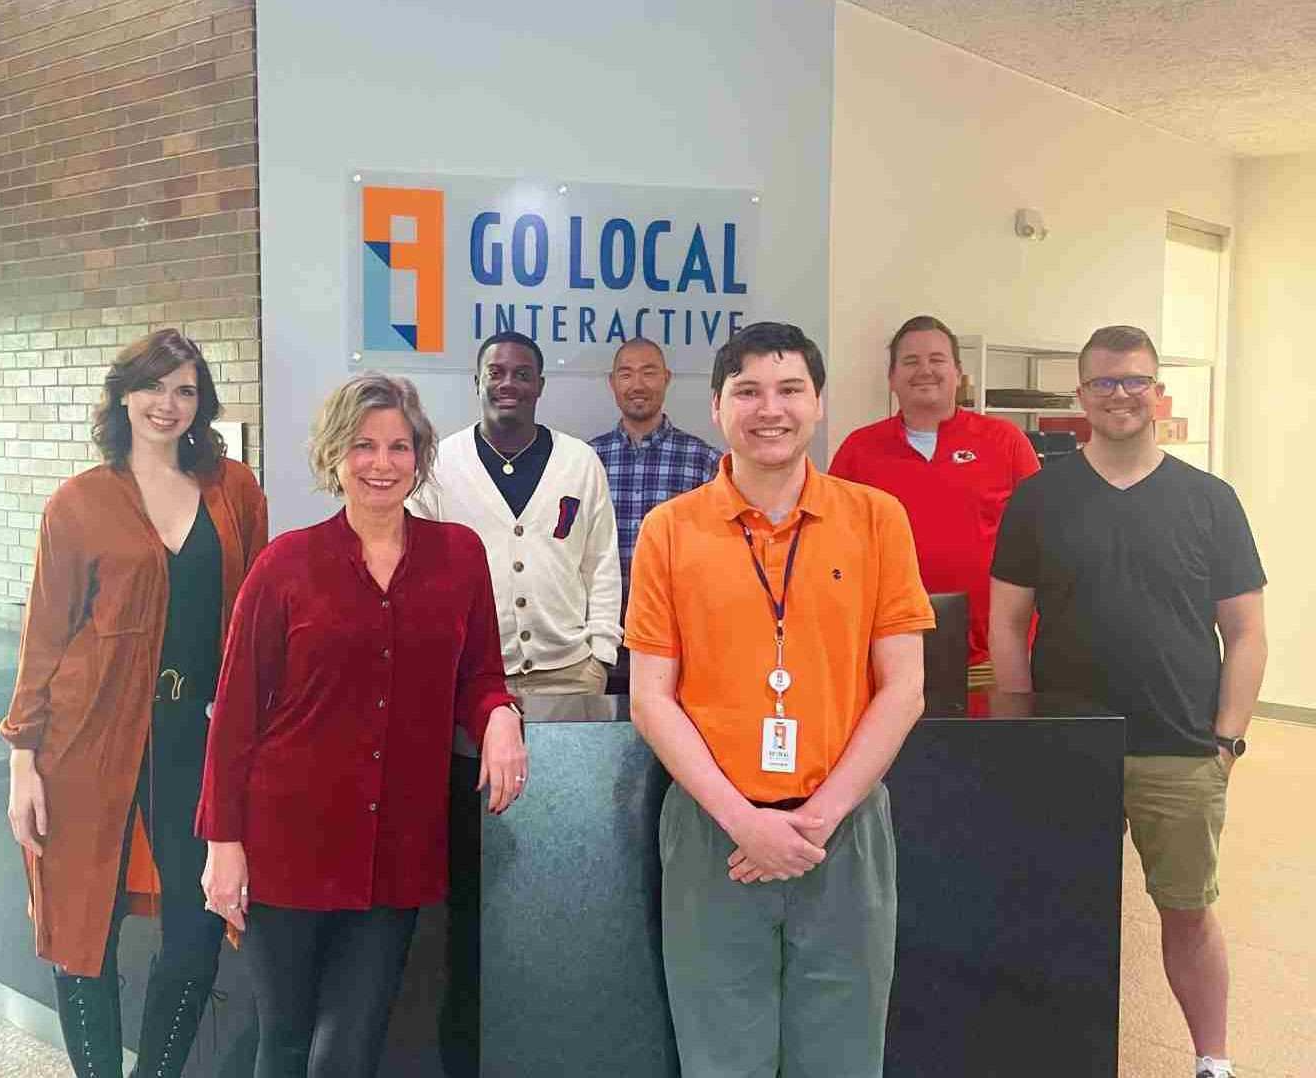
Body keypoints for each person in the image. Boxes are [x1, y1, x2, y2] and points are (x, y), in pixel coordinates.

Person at [196, 373, 527, 1078]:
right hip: (286, 844)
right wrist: (223, 844)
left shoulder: (459, 556)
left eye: (399, 446)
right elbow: (235, 717)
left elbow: (481, 675)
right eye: (363, 445)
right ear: (334, 457)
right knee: (283, 1043)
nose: (382, 462)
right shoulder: (285, 565)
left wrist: (500, 714)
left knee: (349, 1052)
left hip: (396, 850)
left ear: (419, 456)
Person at [626, 321, 934, 1077]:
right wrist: (745, 824)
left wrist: (816, 818)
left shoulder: (876, 519)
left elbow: (904, 687)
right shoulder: (670, 531)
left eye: (791, 389)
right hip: (712, 837)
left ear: (820, 403)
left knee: (843, 1052)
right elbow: (649, 698)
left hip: (844, 829)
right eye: (749, 391)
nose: (772, 408)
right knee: (719, 1055)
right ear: (717, 409)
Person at [989, 325, 1267, 1078]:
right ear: (1081, 396)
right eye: (1105, 382)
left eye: (1135, 380)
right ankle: (1053, 1052)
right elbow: (1006, 624)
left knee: (1186, 910)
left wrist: (1226, 742)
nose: (1121, 394)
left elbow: (1245, 633)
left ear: (1159, 393)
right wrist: (1022, 730)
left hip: (1179, 746)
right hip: (1065, 744)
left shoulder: (1211, 501)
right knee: (1059, 908)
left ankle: (1212, 1059)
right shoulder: (1038, 498)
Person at [1, 329, 268, 1078]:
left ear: (202, 403)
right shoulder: (79, 503)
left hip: (198, 740)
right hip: (86, 740)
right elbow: (45, 636)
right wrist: (23, 760)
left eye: (186, 390)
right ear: (124, 394)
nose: (168, 404)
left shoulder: (235, 490)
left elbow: (253, 619)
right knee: (82, 925)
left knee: (197, 929)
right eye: (154, 386)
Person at [407, 329, 621, 1076]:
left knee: (567, 853)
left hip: (567, 680)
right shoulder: (443, 467)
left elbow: (602, 561)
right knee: (480, 860)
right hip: (473, 684)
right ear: (476, 381)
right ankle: (473, 1020)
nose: (509, 383)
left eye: (522, 373)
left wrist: (600, 655)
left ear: (539, 384)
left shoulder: (577, 463)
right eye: (496, 372)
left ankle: (558, 1006)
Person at [829, 315, 1039, 685]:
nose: (924, 370)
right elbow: (832, 551)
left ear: (958, 373)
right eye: (910, 361)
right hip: (888, 655)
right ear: (892, 378)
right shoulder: (858, 450)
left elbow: (1042, 538)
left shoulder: (1005, 442)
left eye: (937, 360)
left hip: (993, 657)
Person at [590, 337, 722, 611]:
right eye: (626, 374)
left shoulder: (704, 461)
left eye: (649, 373)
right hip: (603, 625)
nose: (637, 385)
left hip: (679, 623)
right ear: (612, 382)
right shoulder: (587, 460)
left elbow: (721, 555)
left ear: (667, 378)